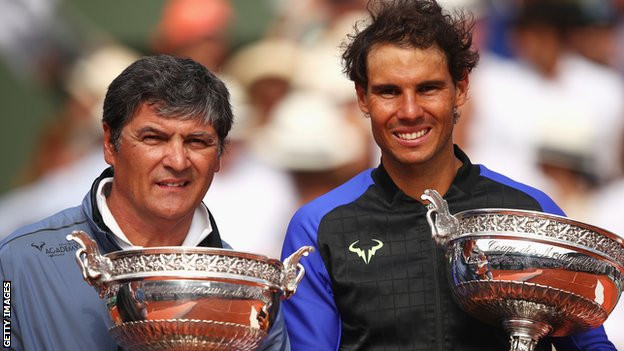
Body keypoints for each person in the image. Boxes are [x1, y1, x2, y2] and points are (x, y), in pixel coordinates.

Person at [279, 0, 616, 350]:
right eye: (389, 91)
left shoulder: (529, 209)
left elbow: (589, 344)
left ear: (461, 88)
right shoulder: (319, 227)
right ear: (363, 98)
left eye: (428, 88)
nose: (409, 111)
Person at [0, 55, 289, 350]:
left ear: (219, 156)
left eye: (197, 142)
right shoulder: (17, 265)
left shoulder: (250, 289)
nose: (177, 161)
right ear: (110, 143)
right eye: (154, 138)